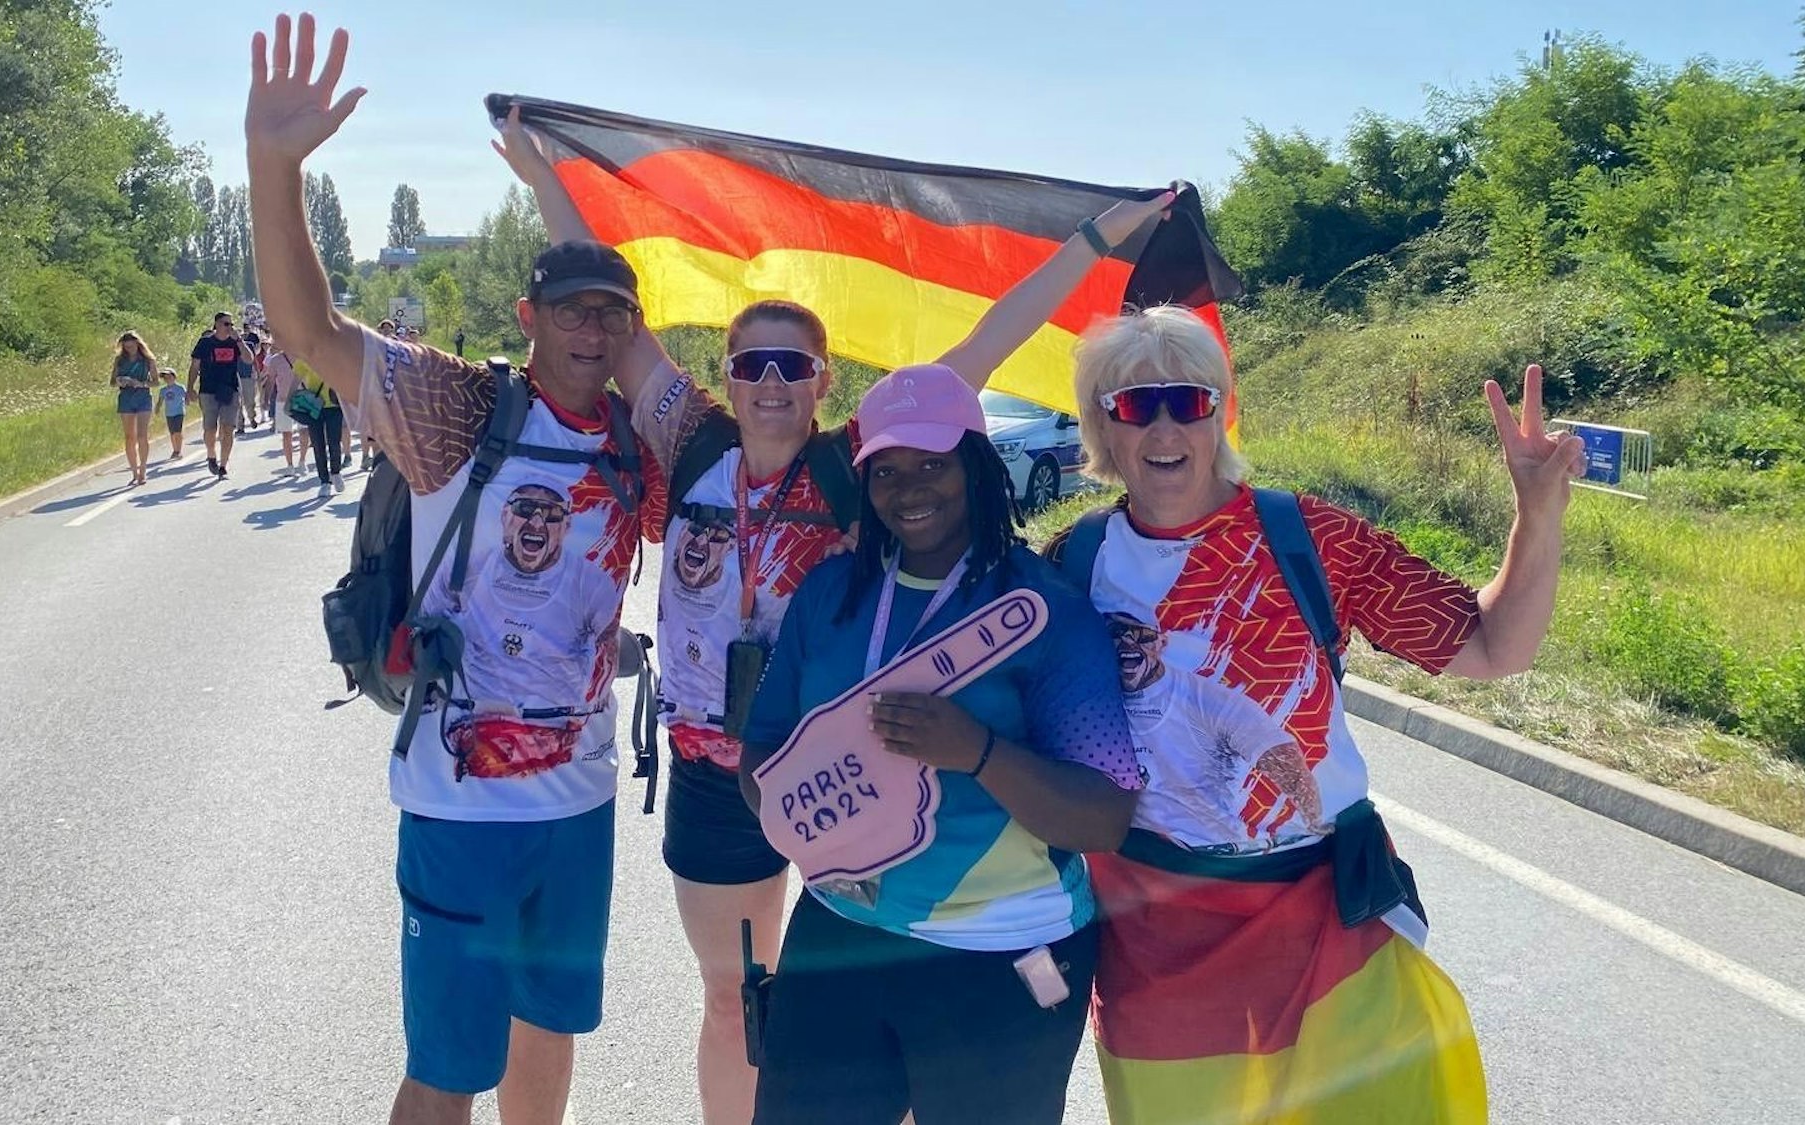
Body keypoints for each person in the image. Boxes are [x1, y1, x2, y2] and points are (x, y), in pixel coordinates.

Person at [494, 104, 1174, 1125]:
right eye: (749, 365)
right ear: (724, 376)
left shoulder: (863, 462)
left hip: (857, 771)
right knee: (735, 1002)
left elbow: (988, 340)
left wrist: (1092, 238)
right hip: (718, 769)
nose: (769, 383)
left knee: (860, 994)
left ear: (822, 383)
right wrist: (543, 172)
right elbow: (605, 304)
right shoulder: (689, 442)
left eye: (791, 367)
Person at [245, 16, 665, 1124]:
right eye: (569, 309)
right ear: (526, 317)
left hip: (579, 803)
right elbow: (309, 328)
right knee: (446, 1069)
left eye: (610, 316)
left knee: (549, 1038)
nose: (590, 328)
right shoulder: (457, 410)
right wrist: (274, 167)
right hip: (459, 805)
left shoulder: (637, 445)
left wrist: (548, 181)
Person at [1044, 306, 1582, 1124]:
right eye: (1132, 404)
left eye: (1187, 400)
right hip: (1155, 942)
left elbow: (1493, 647)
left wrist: (1536, 514)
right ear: (1102, 428)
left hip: (1324, 916)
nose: (1163, 425)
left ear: (1218, 413)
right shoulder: (1072, 564)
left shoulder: (1308, 537)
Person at [738, 364, 1141, 1125]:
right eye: (886, 470)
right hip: (841, 931)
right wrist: (813, 818)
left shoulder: (1045, 610)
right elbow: (762, 749)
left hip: (1006, 952)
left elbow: (1102, 817)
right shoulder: (829, 595)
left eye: (933, 463)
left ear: (977, 467)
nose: (909, 488)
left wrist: (978, 751)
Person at [188, 312, 247, 478]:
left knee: (228, 428)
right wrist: (190, 387)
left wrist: (239, 340)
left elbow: (249, 359)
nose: (229, 327)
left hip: (230, 390)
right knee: (210, 428)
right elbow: (194, 366)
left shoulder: (235, 342)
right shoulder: (205, 343)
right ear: (216, 324)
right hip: (208, 390)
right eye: (225, 323)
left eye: (231, 324)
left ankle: (223, 464)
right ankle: (211, 455)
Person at [112, 331, 158, 485]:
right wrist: (120, 381)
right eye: (126, 347)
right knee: (129, 436)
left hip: (143, 397)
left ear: (138, 344)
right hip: (126, 398)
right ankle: (134, 471)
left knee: (142, 435)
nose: (129, 349)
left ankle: (143, 470)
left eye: (132, 346)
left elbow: (156, 382)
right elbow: (112, 381)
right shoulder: (120, 360)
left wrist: (142, 383)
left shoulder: (148, 360)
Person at [295, 359, 346, 496]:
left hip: (333, 405)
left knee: (334, 442)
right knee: (318, 444)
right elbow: (296, 381)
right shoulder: (304, 358)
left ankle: (336, 472)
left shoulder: (333, 355)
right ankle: (324, 481)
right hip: (314, 405)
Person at [263, 336, 307, 477]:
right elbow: (270, 381)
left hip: (301, 398)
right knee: (286, 433)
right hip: (282, 399)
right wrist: (266, 399)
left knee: (304, 431)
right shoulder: (275, 360)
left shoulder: (303, 357)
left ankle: (302, 461)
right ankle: (289, 464)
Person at [155, 368, 188, 460]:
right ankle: (175, 449)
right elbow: (160, 401)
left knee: (178, 431)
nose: (167, 379)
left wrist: (187, 401)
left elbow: (186, 396)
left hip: (179, 412)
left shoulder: (180, 388)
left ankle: (178, 451)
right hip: (169, 413)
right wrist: (157, 408)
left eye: (169, 376)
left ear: (174, 377)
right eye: (165, 377)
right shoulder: (163, 390)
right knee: (172, 433)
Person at [240, 330, 266, 430]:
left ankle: (251, 418)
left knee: (249, 400)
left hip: (248, 376)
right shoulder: (230, 345)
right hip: (234, 377)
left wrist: (258, 373)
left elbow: (254, 360)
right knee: (237, 403)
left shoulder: (249, 345)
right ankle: (240, 425)